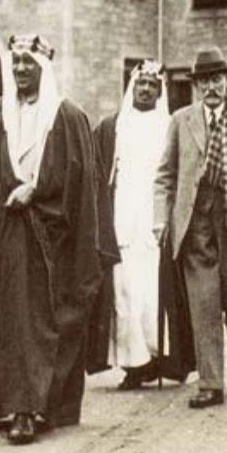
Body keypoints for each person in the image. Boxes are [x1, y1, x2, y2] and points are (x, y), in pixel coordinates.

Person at [0, 33, 102, 445]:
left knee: (39, 324)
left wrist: (36, 190)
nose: (21, 69)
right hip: (1, 240)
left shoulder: (67, 116)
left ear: (44, 69)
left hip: (49, 243)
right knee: (6, 322)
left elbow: (80, 179)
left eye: (29, 63)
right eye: (16, 62)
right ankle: (11, 404)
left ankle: (31, 408)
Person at [153, 47, 227, 409]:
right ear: (196, 85)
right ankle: (211, 383)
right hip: (195, 221)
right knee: (203, 302)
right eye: (203, 81)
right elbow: (165, 175)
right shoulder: (181, 120)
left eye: (217, 79)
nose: (210, 87)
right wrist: (161, 218)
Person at [87, 61, 192, 389]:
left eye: (152, 85)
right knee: (124, 293)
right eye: (140, 83)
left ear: (161, 91)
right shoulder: (112, 127)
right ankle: (134, 364)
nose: (145, 89)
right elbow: (97, 174)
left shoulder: (171, 126)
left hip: (157, 222)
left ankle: (160, 358)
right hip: (121, 221)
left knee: (154, 292)